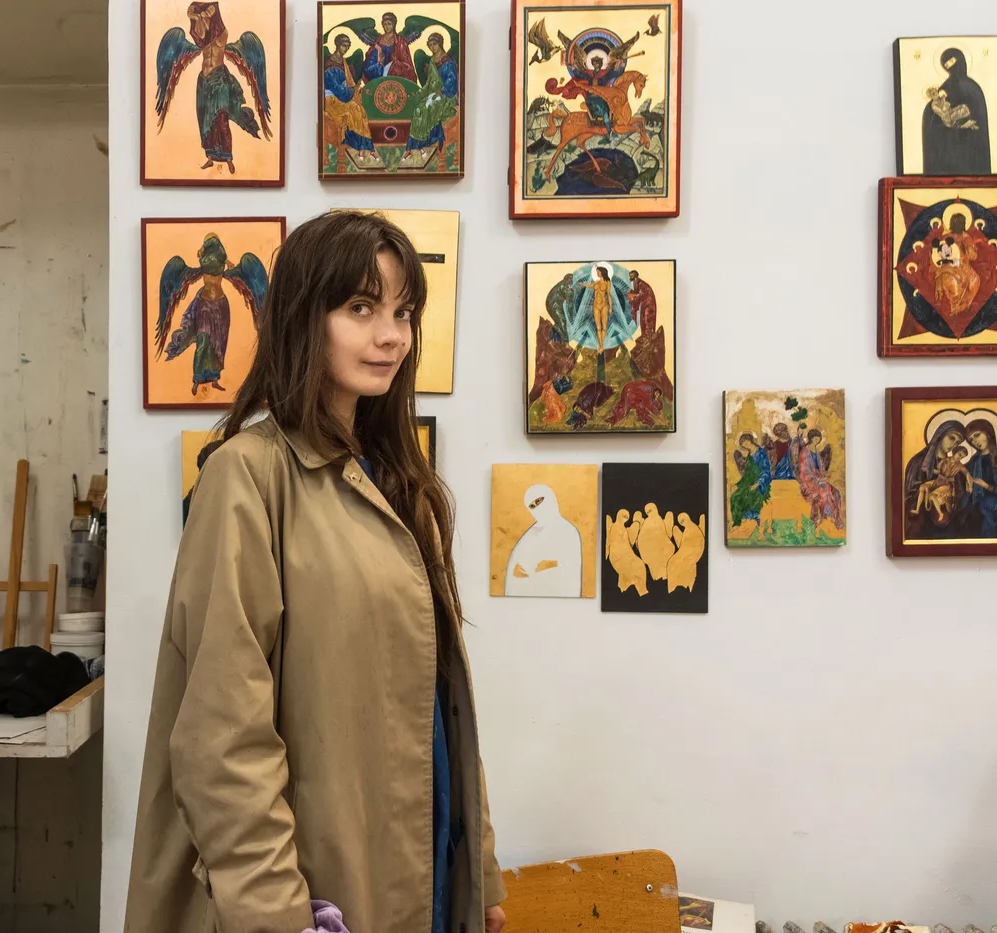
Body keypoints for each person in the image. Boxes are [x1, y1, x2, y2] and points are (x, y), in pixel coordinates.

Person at [125, 212, 507, 933]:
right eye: (360, 308)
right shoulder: (248, 476)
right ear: (305, 315)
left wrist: (476, 871)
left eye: (403, 312)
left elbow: (441, 699)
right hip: (315, 888)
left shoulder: (400, 481)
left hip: (421, 863)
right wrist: (277, 914)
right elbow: (222, 734)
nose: (391, 336)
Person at [922, 47, 991, 174]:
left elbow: (979, 116)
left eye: (952, 61)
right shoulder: (945, 87)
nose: (951, 67)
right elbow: (933, 113)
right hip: (949, 145)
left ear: (961, 60)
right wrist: (934, 110)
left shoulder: (973, 88)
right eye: (947, 65)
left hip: (970, 144)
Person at [903, 419, 966, 539]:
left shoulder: (954, 466)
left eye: (957, 443)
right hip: (923, 524)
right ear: (940, 434)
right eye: (951, 438)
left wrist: (952, 494)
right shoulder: (918, 461)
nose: (953, 445)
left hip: (947, 523)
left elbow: (960, 494)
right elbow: (907, 495)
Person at [404, 33, 459, 160]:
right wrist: (418, 93)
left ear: (440, 44)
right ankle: (412, 147)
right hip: (432, 95)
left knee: (425, 109)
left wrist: (442, 91)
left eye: (434, 44)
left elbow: (452, 81)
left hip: (446, 96)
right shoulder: (432, 61)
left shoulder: (448, 62)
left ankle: (421, 145)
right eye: (430, 45)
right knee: (417, 109)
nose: (432, 47)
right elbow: (429, 83)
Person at [323, 34, 378, 161]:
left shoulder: (343, 62)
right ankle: (366, 149)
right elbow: (341, 92)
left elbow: (349, 85)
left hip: (343, 97)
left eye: (348, 46)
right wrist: (355, 88)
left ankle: (364, 150)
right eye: (344, 45)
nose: (346, 48)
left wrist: (358, 89)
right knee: (355, 109)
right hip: (332, 101)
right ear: (337, 45)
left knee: (360, 110)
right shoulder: (329, 65)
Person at [362, 12, 418, 83]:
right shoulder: (379, 42)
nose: (387, 26)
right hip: (380, 76)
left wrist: (396, 63)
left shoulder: (400, 42)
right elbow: (370, 63)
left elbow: (408, 65)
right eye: (385, 24)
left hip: (396, 77)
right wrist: (379, 64)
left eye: (389, 24)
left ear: (394, 25)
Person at [964, 418, 997, 537]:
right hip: (977, 502)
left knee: (985, 504)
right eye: (971, 440)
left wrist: (985, 486)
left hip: (991, 503)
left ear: (987, 432)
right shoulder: (974, 460)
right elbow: (964, 474)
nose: (975, 441)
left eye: (977, 435)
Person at [581, 264, 612, 353]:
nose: (597, 273)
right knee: (598, 327)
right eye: (596, 272)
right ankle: (601, 345)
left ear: (602, 272)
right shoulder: (596, 282)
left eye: (598, 272)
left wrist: (611, 307)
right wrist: (582, 283)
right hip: (596, 306)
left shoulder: (607, 282)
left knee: (604, 327)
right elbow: (589, 286)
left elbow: (609, 295)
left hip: (604, 306)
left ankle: (601, 345)